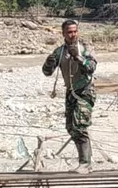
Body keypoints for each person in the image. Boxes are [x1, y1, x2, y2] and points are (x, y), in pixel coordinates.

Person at [41, 19, 98, 173]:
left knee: (80, 125)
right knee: (71, 127)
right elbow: (47, 72)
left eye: (75, 31)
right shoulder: (59, 52)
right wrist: (48, 62)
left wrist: (78, 58)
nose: (72, 35)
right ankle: (85, 160)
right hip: (70, 93)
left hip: (85, 92)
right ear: (63, 34)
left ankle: (85, 163)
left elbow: (91, 68)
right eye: (69, 32)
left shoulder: (85, 49)